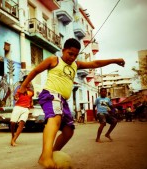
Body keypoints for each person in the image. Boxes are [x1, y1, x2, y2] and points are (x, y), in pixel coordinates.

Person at [18, 38, 125, 168]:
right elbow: (35, 71)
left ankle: (50, 154)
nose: (72, 57)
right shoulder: (54, 60)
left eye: (75, 55)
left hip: (63, 100)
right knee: (54, 118)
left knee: (69, 131)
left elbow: (95, 63)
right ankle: (45, 156)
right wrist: (23, 86)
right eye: (70, 53)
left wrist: (114, 60)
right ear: (63, 50)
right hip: (50, 94)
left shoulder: (76, 65)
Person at [10, 75, 34, 146]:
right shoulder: (20, 89)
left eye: (30, 81)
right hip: (18, 107)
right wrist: (15, 97)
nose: (30, 82)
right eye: (28, 81)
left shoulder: (31, 91)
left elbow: (30, 99)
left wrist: (31, 104)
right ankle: (12, 136)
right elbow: (16, 97)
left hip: (26, 108)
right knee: (12, 123)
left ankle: (14, 140)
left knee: (21, 123)